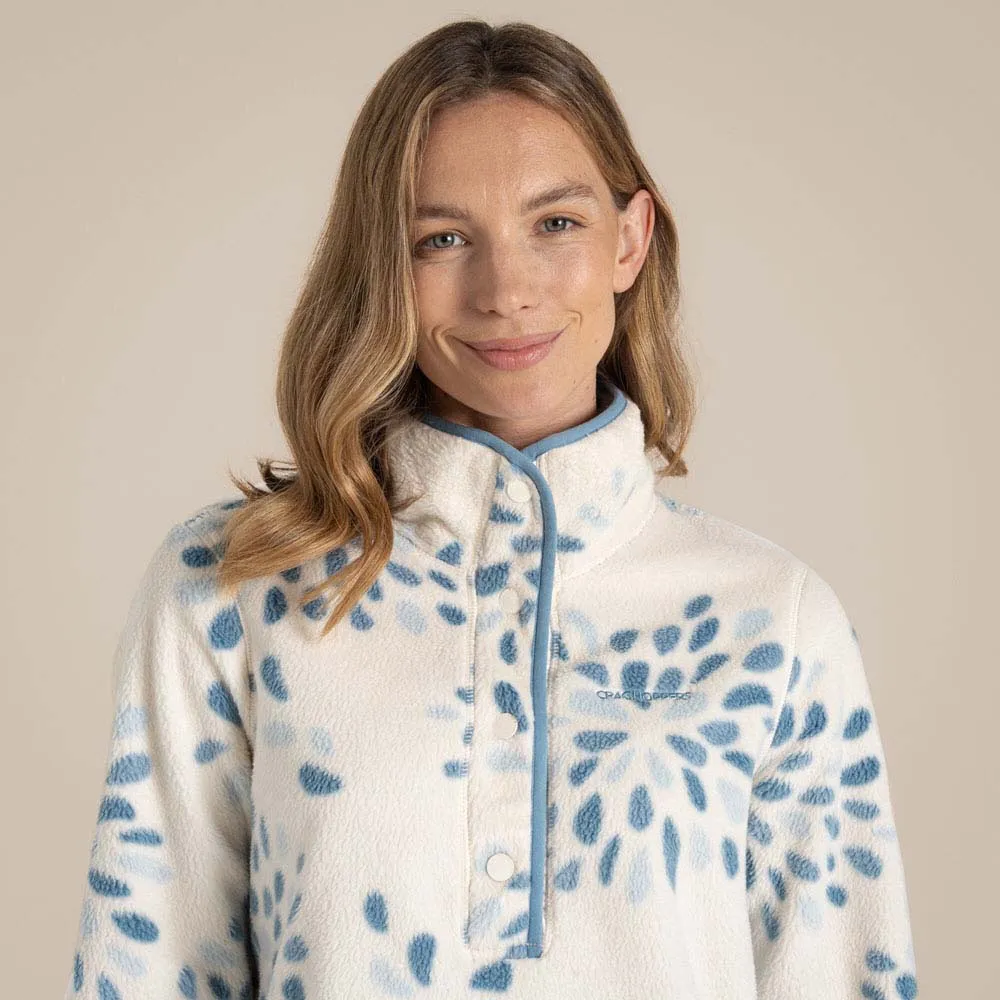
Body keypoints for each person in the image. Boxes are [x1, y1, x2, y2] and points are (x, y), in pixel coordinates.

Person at [62, 18, 919, 1000]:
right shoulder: (230, 588)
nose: (506, 290)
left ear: (629, 240)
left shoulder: (775, 620)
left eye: (556, 223)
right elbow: (142, 972)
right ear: (384, 268)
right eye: (441, 239)